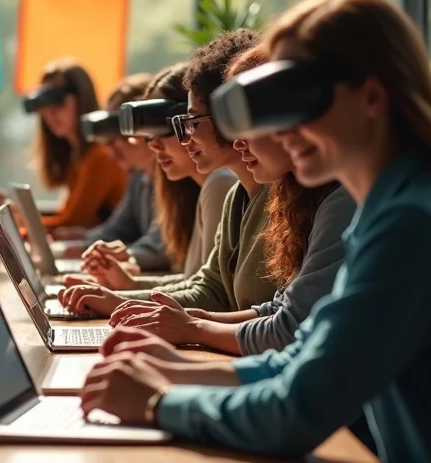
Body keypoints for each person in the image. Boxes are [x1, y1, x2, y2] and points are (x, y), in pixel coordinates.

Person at [81, 0, 431, 462]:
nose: (279, 131)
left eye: (299, 103)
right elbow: (302, 360)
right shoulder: (388, 210)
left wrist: (157, 403)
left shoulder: (409, 223)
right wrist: (177, 369)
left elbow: (298, 408)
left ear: (372, 97)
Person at [108, 46, 355, 355]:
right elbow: (278, 309)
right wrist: (192, 322)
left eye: (257, 121)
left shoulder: (345, 203)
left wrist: (188, 330)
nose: (239, 140)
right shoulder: (259, 194)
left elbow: (290, 329)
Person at [66, 31, 275, 316]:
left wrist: (122, 298)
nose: (184, 137)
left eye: (190, 122)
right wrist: (120, 295)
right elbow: (210, 288)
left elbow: (285, 320)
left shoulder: (227, 185)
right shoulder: (235, 196)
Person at [66, 63, 237, 290]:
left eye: (168, 126)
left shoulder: (219, 183)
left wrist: (124, 292)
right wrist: (127, 284)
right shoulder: (202, 187)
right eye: (146, 134)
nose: (153, 145)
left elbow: (209, 295)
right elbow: (197, 284)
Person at [63, 73, 168, 271]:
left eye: (121, 134)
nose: (113, 150)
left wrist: (109, 258)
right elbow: (118, 229)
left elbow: (162, 248)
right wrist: (82, 247)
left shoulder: (175, 178)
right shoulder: (139, 176)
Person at [29, 58, 127, 231]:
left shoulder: (100, 156)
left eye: (58, 100)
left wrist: (20, 223)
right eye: (44, 104)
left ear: (82, 99)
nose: (50, 113)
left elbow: (71, 221)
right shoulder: (77, 157)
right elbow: (67, 216)